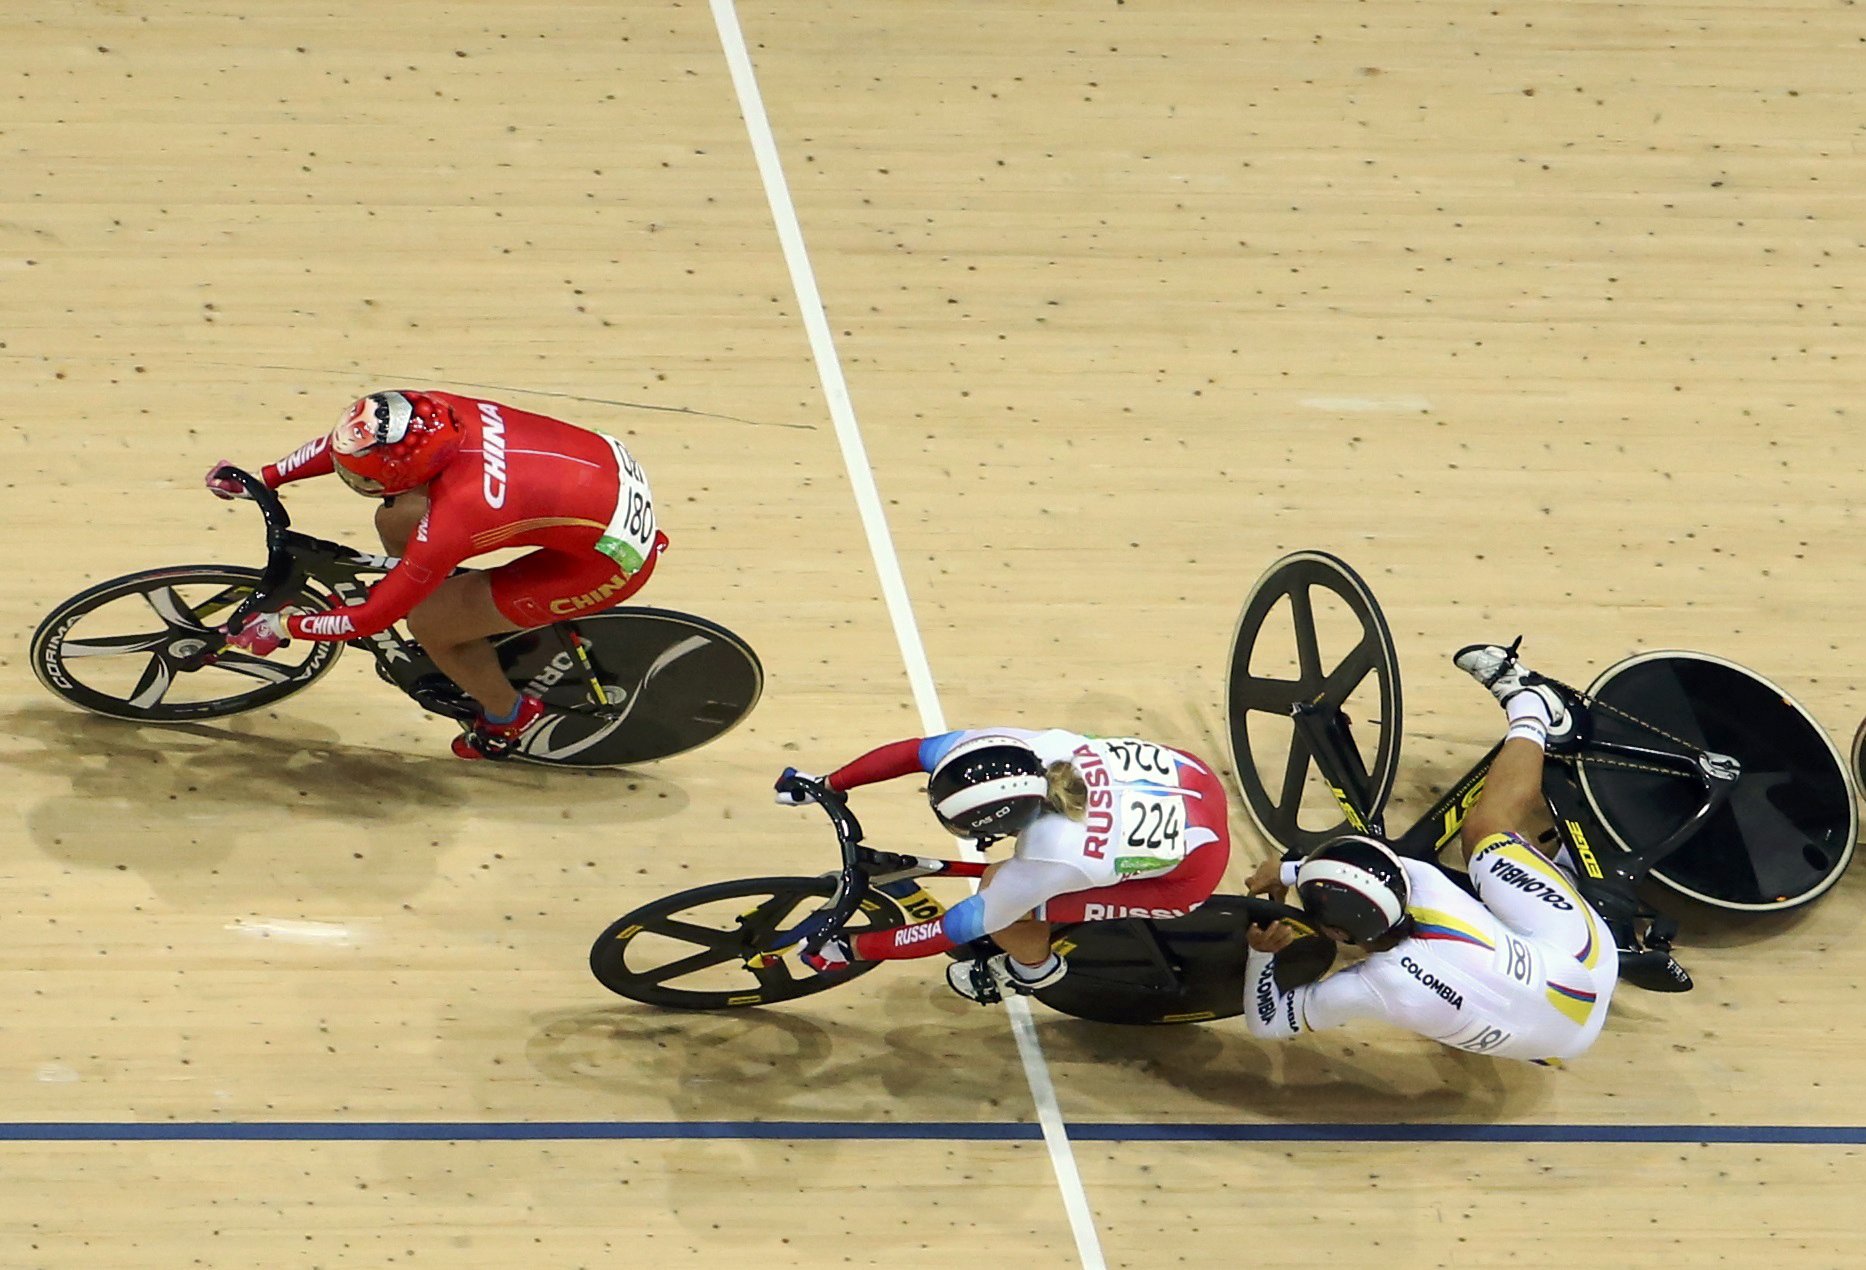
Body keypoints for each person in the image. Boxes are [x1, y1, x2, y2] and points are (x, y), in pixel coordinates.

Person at [205, 389, 664, 759]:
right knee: (396, 519)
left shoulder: (457, 515)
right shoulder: (428, 415)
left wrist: (285, 625)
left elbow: (369, 621)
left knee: (427, 625)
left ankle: (508, 716)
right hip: (590, 483)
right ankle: (441, 596)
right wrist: (269, 476)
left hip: (602, 566)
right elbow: (353, 446)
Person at [1240, 642, 1626, 1064]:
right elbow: (1370, 862)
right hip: (1585, 961)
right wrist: (1289, 869)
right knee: (1484, 833)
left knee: (1484, 863)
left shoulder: (1372, 986)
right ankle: (1530, 707)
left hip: (1561, 1046)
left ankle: (1533, 708)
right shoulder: (1421, 882)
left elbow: (1269, 1022)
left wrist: (1262, 956)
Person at [774, 728, 1232, 1004]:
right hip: (1192, 776)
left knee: (1000, 895)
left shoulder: (1054, 854)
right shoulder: (1020, 750)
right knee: (1007, 890)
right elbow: (917, 752)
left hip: (1187, 878)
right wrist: (827, 782)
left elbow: (953, 929)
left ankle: (1033, 970)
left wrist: (854, 949)